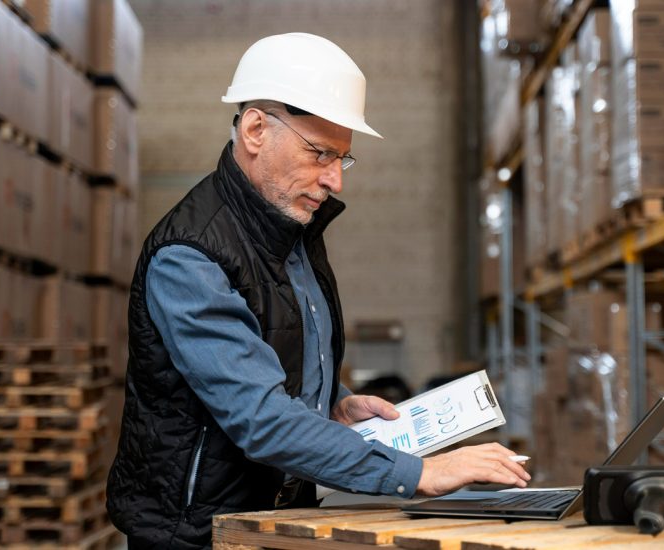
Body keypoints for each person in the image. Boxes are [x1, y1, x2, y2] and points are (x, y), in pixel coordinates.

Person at [106, 32, 529, 549]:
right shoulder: (191, 257)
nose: (335, 180)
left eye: (342, 159)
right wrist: (420, 473)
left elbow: (274, 349)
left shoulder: (293, 228)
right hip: (196, 534)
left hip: (272, 516)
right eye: (320, 153)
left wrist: (332, 401)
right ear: (257, 129)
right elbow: (259, 417)